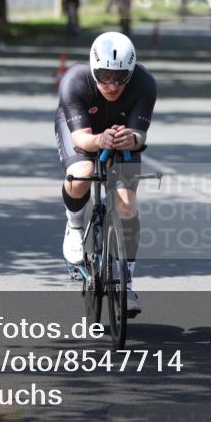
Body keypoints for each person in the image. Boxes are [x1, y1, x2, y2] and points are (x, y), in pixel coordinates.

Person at [54, 32, 157, 317]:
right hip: (83, 131)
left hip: (121, 133)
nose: (111, 85)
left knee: (127, 202)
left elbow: (140, 134)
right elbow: (82, 140)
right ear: (93, 68)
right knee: (83, 171)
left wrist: (132, 139)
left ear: (131, 73)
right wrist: (100, 141)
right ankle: (75, 227)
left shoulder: (145, 84)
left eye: (119, 78)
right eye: (104, 76)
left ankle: (127, 281)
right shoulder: (75, 80)